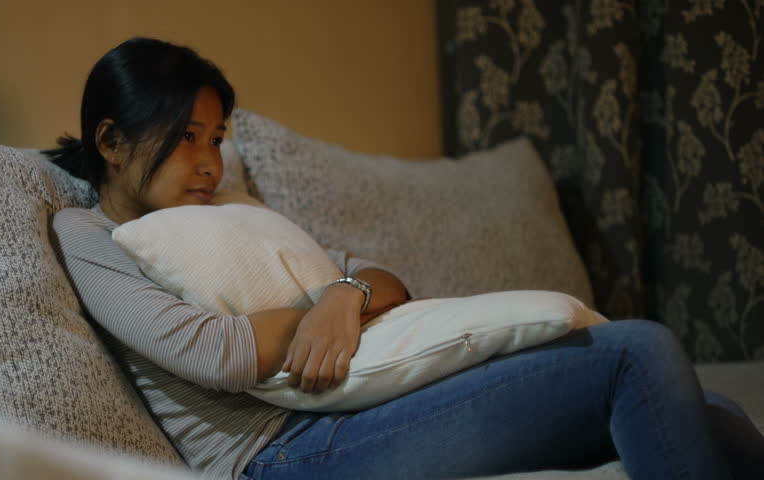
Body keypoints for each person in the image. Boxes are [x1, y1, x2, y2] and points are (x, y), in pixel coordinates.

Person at [47, 37, 764, 480]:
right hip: (282, 454)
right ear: (111, 143)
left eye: (215, 137)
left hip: (359, 407)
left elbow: (383, 279)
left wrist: (343, 297)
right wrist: (320, 307)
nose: (209, 161)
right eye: (184, 137)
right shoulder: (87, 233)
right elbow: (218, 353)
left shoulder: (228, 209)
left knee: (717, 414)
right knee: (638, 352)